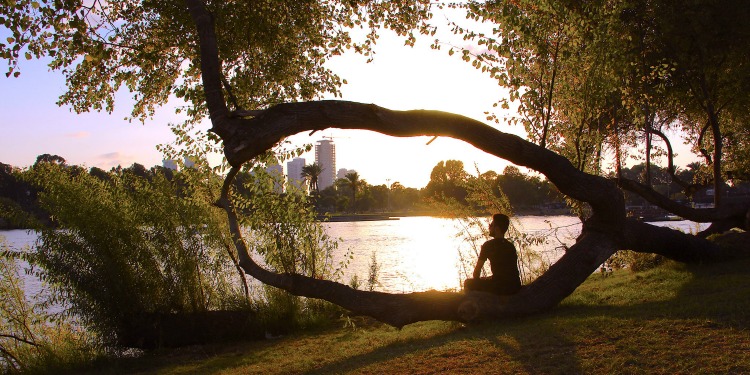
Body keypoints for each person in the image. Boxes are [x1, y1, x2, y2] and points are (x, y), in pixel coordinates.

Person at [464, 213, 522, 295]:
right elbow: (508, 272)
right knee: (487, 279)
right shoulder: (510, 246)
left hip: (500, 287)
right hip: (514, 286)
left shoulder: (488, 245)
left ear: (497, 229)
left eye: (491, 225)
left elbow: (476, 272)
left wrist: (477, 281)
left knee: (468, 283)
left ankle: (476, 302)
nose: (489, 227)